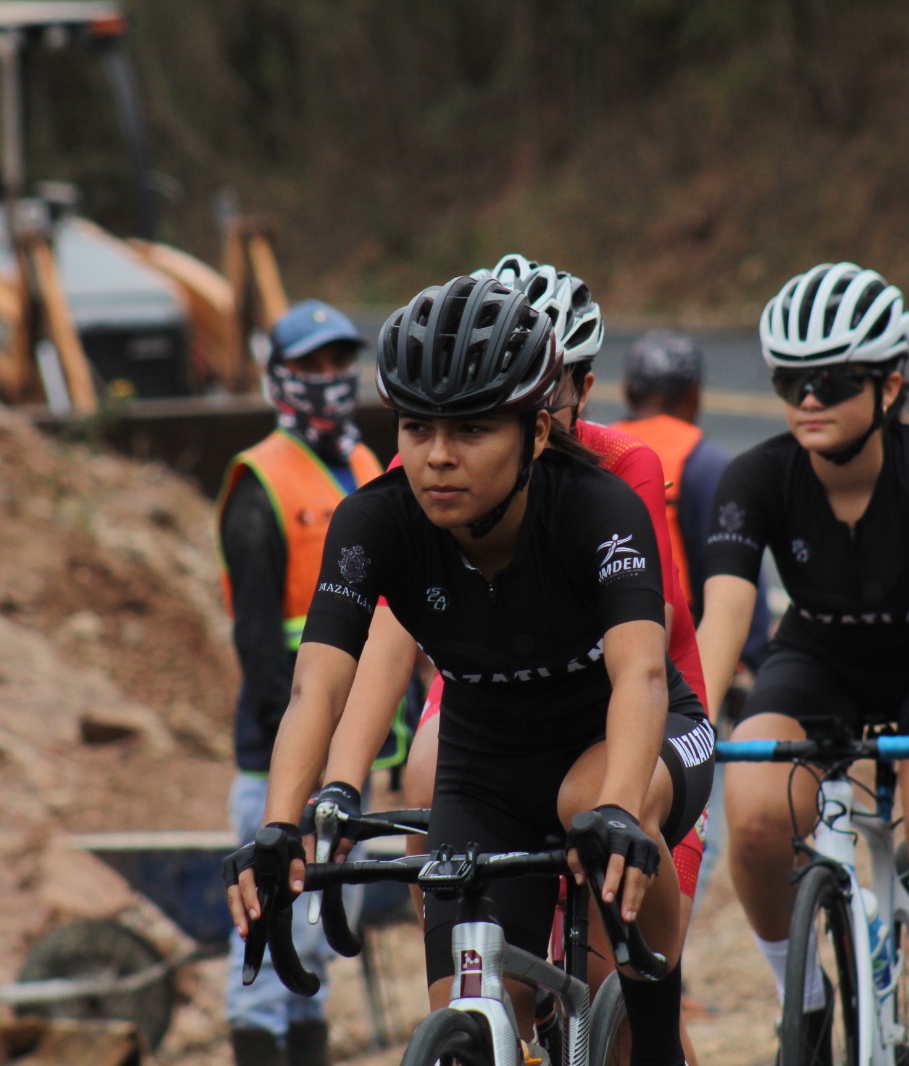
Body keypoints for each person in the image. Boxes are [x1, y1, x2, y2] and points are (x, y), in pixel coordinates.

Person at [227, 275, 715, 1066]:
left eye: (473, 430)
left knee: (594, 815)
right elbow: (318, 685)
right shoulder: (375, 519)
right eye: (416, 427)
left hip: (634, 739)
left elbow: (643, 678)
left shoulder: (598, 506)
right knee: (468, 1019)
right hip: (486, 768)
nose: (438, 457)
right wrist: (283, 823)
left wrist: (625, 809)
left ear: (536, 430)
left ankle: (655, 1020)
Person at [693, 264, 909, 1066]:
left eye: (831, 382)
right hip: (820, 657)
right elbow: (726, 615)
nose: (808, 399)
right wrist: (683, 720)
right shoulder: (755, 476)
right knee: (757, 816)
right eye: (789, 380)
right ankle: (801, 998)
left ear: (890, 383)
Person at [215, 299, 395, 1066]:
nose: (330, 379)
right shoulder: (261, 481)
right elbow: (258, 644)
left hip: (354, 763)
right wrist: (305, 757)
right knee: (264, 938)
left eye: (338, 363)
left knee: (316, 940)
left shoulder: (364, 464)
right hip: (277, 758)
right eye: (312, 366)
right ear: (280, 378)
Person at [611, 329, 772, 673]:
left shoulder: (600, 450)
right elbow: (732, 564)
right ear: (694, 393)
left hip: (605, 639)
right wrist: (751, 655)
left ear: (627, 391)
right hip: (676, 651)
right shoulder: (702, 460)